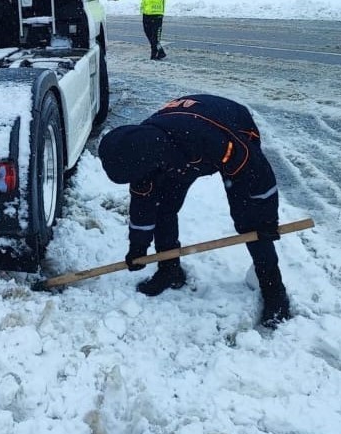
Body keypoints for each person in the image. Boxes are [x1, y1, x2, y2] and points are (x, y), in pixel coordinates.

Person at [98, 93, 291, 329]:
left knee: (249, 221)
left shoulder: (212, 141)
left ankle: (274, 290)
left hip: (230, 127)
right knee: (163, 208)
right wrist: (138, 248)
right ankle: (169, 270)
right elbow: (143, 204)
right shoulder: (140, 152)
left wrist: (268, 220)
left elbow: (257, 174)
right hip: (178, 143)